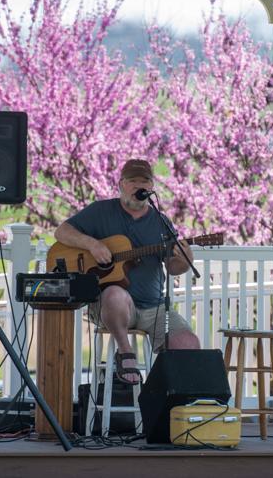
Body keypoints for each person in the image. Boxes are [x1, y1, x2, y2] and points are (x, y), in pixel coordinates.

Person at [54, 159, 200, 385]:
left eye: (144, 181)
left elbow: (173, 267)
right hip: (109, 307)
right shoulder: (100, 211)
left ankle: (166, 404)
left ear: (151, 187)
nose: (138, 186)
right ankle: (125, 352)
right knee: (114, 293)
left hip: (154, 306)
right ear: (121, 184)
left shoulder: (161, 222)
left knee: (188, 343)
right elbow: (62, 232)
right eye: (132, 181)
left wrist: (186, 260)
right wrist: (92, 244)